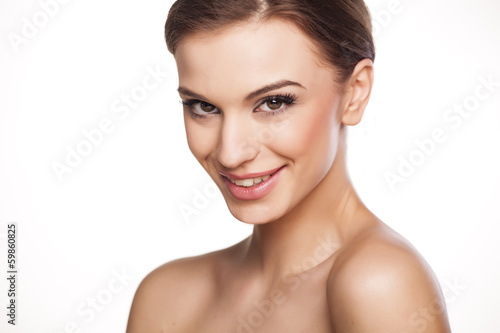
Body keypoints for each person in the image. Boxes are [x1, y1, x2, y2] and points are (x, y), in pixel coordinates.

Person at [127, 0, 451, 332]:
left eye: (273, 102)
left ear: (355, 93)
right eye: (203, 106)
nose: (230, 153)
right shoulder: (164, 297)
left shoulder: (378, 281)